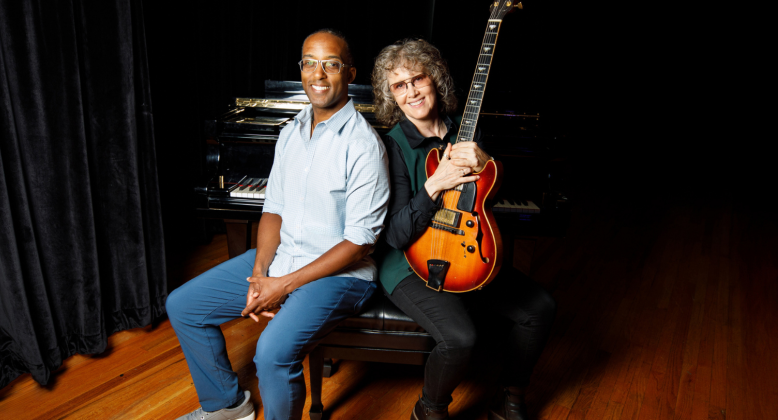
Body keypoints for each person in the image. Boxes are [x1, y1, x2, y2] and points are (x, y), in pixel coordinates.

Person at [166, 29, 389, 420]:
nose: (318, 74)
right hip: (287, 257)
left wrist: (281, 285)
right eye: (309, 63)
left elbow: (360, 242)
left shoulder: (364, 146)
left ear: (349, 73)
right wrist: (258, 274)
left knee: (269, 353)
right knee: (183, 305)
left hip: (341, 275)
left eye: (331, 64)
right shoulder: (291, 132)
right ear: (300, 69)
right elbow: (274, 209)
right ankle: (227, 406)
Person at [370, 38, 556, 420]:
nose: (412, 92)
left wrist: (487, 161)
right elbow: (395, 235)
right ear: (391, 96)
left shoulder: (467, 130)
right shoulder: (390, 147)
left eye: (417, 79)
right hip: (406, 263)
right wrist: (434, 184)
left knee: (540, 308)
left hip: (464, 249)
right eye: (399, 86)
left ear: (434, 79)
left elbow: (488, 196)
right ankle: (430, 410)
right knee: (460, 338)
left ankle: (509, 397)